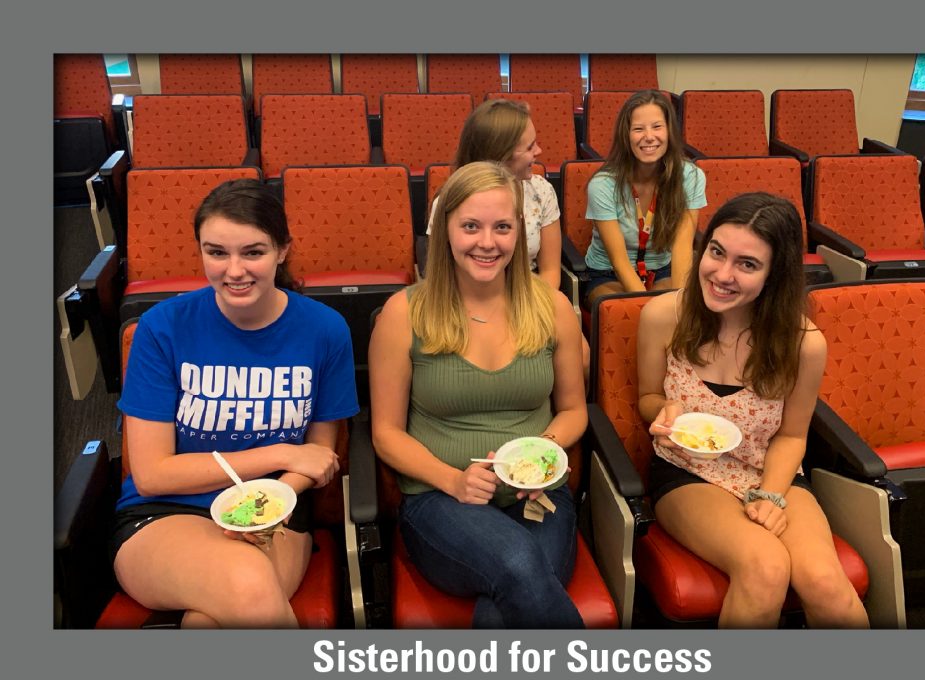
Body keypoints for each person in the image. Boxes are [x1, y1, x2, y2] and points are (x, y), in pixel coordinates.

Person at [110, 179, 360, 628]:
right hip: (166, 513)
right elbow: (151, 474)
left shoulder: (325, 330)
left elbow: (318, 459)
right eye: (217, 252)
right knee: (247, 586)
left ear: (283, 250)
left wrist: (268, 500)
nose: (234, 270)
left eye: (253, 252)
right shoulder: (162, 327)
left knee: (208, 624)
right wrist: (281, 452)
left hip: (275, 511)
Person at [369, 161, 587, 628]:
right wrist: (454, 481)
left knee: (505, 607)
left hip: (538, 493)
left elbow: (573, 411)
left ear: (519, 233)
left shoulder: (553, 307)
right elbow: (385, 433)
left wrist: (541, 452)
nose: (487, 242)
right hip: (440, 498)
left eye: (502, 227)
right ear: (444, 230)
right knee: (519, 565)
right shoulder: (403, 313)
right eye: (470, 226)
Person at [637, 192, 869, 628]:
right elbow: (646, 398)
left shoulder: (803, 342)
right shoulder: (663, 315)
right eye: (717, 253)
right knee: (765, 566)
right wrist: (663, 409)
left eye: (747, 264)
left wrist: (771, 496)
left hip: (769, 472)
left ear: (774, 275)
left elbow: (792, 436)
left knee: (826, 584)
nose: (722, 275)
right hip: (687, 472)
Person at [584, 89, 707, 308]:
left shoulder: (690, 176)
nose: (649, 137)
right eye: (638, 129)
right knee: (633, 311)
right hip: (608, 273)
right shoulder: (603, 184)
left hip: (662, 268)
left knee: (677, 307)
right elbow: (619, 260)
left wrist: (680, 304)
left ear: (669, 131)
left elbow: (682, 247)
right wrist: (644, 304)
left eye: (657, 127)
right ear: (626, 135)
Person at [427, 98, 562, 289]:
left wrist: (533, 313)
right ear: (502, 154)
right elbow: (441, 274)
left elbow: (550, 271)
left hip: (529, 299)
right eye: (530, 147)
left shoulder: (541, 192)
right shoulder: (450, 199)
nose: (539, 151)